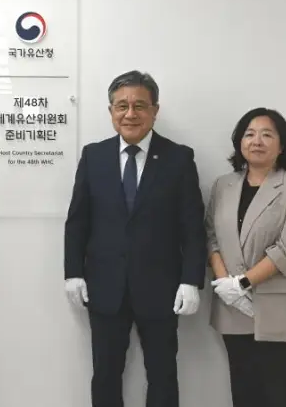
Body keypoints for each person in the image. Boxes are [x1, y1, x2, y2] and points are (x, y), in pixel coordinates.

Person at [64, 70, 207, 407]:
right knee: (105, 373)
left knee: (162, 374)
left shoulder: (179, 158)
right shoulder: (94, 156)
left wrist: (191, 280)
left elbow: (192, 226)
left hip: (161, 287)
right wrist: (73, 272)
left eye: (140, 105)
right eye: (122, 106)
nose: (130, 114)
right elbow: (78, 221)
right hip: (104, 286)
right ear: (111, 111)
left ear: (155, 110)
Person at [206, 107, 286, 407]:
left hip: (275, 305)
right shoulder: (223, 185)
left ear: (281, 146)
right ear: (240, 142)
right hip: (232, 305)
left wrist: (242, 283)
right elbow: (210, 236)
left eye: (267, 134)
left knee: (277, 391)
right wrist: (226, 286)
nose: (257, 141)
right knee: (243, 390)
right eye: (250, 134)